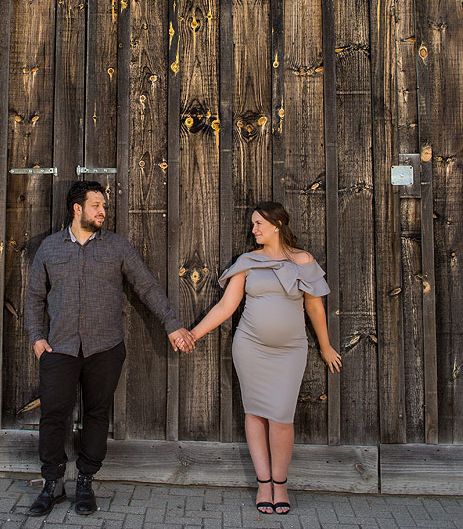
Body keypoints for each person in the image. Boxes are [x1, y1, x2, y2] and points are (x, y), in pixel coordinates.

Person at [25, 180, 197, 516]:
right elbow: (34, 297)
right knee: (53, 415)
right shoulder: (50, 248)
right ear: (78, 209)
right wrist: (37, 337)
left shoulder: (117, 247)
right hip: (58, 348)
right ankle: (53, 484)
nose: (103, 212)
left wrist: (172, 324)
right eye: (96, 206)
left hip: (104, 348)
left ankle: (86, 481)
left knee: (96, 414)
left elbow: (146, 286)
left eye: (104, 206)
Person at [187, 202, 342, 515]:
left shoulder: (303, 260)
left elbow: (314, 308)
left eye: (259, 224)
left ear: (278, 224)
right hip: (250, 348)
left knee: (282, 418)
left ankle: (281, 483)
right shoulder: (247, 262)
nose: (253, 229)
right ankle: (263, 483)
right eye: (253, 224)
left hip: (291, 351)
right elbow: (225, 308)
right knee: (255, 413)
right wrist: (193, 334)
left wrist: (325, 347)